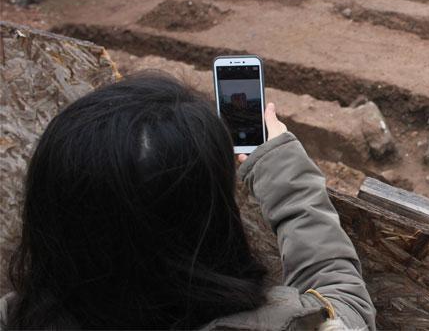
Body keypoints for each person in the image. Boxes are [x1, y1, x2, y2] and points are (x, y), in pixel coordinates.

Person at [0, 73, 375, 330]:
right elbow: (344, 300)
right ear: (209, 222)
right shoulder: (288, 323)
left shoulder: (16, 318)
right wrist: (281, 167)